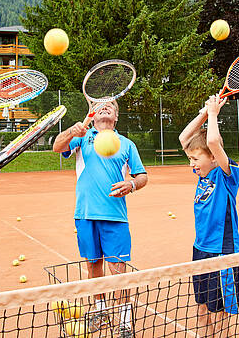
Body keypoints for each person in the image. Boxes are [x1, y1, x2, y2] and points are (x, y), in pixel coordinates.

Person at [53, 100, 148, 337]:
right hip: (85, 214)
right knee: (93, 265)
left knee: (118, 268)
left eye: (111, 106)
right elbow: (56, 147)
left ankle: (125, 321)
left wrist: (132, 184)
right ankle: (100, 309)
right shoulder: (82, 137)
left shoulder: (126, 144)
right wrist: (71, 131)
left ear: (116, 117)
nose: (106, 107)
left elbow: (142, 175)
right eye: (101, 106)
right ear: (93, 115)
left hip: (115, 216)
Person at [178, 94, 239, 338]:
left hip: (222, 252)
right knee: (202, 306)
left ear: (213, 158)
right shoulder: (203, 176)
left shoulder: (228, 175)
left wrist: (215, 115)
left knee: (220, 310)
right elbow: (185, 138)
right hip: (200, 249)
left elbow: (214, 142)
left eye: (195, 159)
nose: (191, 164)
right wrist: (205, 113)